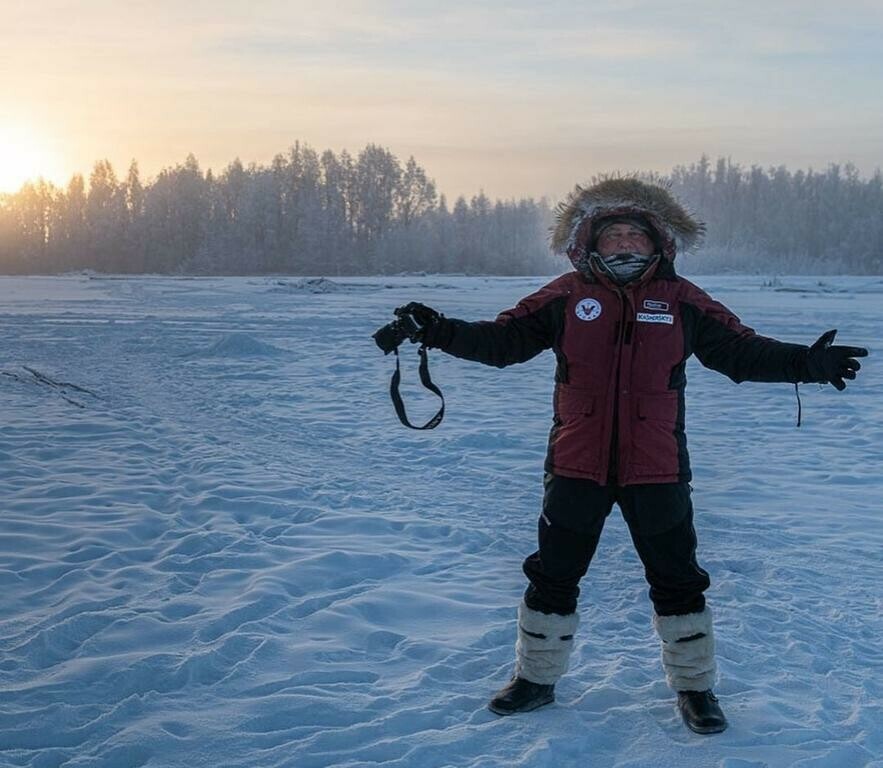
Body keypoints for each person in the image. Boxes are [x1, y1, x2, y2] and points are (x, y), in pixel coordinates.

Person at [392, 176, 868, 734]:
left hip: (657, 467)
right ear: (589, 243)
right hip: (575, 464)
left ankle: (695, 689)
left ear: (658, 245)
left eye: (635, 237)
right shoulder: (565, 295)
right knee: (552, 576)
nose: (624, 245)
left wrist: (804, 364)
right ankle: (536, 679)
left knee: (678, 579)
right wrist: (441, 331)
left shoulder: (682, 299)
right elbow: (503, 342)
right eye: (613, 235)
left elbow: (738, 350)